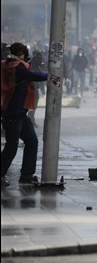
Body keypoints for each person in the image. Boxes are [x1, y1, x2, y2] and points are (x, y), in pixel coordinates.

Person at [1, 43, 48, 186]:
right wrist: (51, 75)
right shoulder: (16, 67)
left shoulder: (9, 64)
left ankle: (27, 175)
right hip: (13, 113)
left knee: (32, 141)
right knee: (12, 146)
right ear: (21, 53)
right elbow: (32, 75)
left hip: (20, 113)